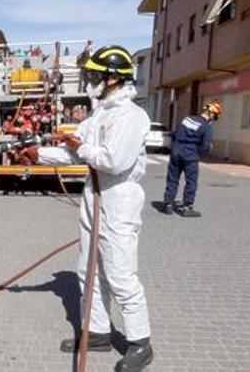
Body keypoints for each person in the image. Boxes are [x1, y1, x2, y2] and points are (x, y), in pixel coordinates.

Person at [30, 45, 154, 371]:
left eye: (96, 74)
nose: (92, 80)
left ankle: (141, 343)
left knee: (120, 274)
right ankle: (97, 331)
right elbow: (74, 154)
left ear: (113, 78)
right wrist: (36, 155)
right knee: (88, 269)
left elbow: (114, 161)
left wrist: (80, 146)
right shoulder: (99, 113)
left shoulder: (131, 116)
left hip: (118, 198)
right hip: (93, 194)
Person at [161, 101, 222, 217]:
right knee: (191, 181)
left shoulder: (187, 119)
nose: (213, 120)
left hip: (176, 151)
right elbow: (205, 147)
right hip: (190, 155)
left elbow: (175, 133)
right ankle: (187, 207)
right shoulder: (207, 127)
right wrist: (209, 148)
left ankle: (168, 204)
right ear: (212, 114)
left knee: (172, 179)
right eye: (215, 117)